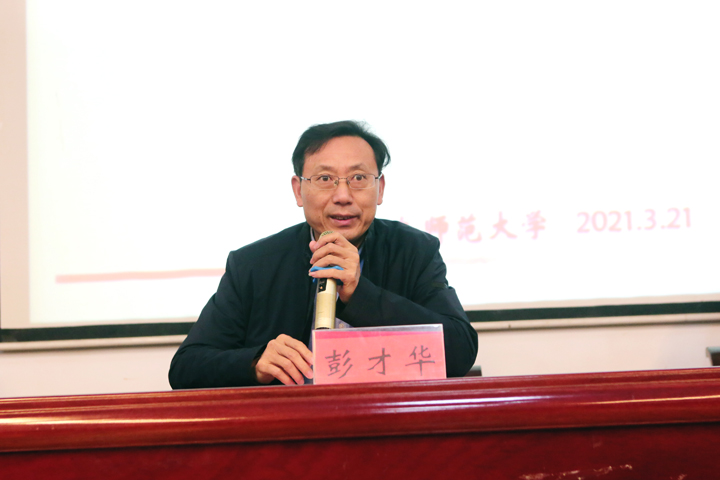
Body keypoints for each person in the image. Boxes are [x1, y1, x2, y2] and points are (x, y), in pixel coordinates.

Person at [169, 120, 478, 388]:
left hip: (384, 422)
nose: (343, 196)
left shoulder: (415, 251)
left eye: (358, 178)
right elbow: (186, 367)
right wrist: (255, 362)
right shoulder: (253, 265)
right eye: (325, 179)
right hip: (290, 428)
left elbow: (460, 351)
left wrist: (360, 294)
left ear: (380, 188)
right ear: (298, 190)